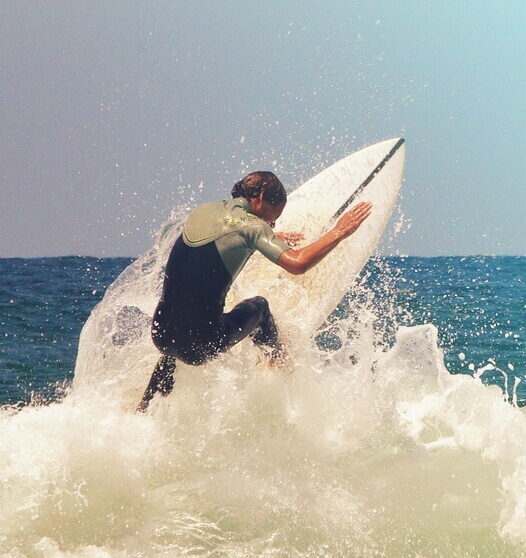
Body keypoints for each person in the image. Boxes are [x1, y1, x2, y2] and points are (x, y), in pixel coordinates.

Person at [137, 171, 372, 412]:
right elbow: (297, 263)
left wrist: (269, 238)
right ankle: (281, 368)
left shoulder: (205, 211)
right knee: (260, 307)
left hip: (161, 334)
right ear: (260, 197)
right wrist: (340, 231)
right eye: (274, 216)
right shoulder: (252, 227)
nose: (272, 224)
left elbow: (220, 241)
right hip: (203, 344)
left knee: (176, 340)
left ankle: (143, 409)